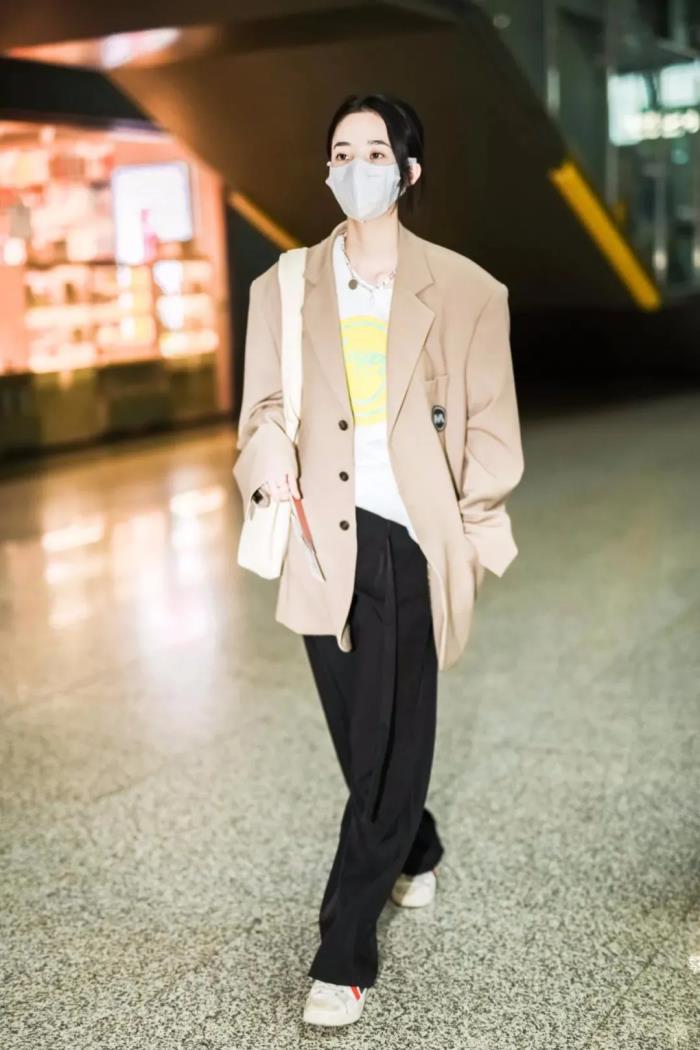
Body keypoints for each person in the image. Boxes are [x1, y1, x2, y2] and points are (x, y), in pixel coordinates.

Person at [232, 92, 525, 1028]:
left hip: (411, 540)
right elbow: (262, 410)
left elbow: (492, 432)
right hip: (321, 537)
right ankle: (418, 843)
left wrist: (470, 540)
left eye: (374, 152)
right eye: (340, 151)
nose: (355, 167)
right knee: (367, 741)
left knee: (388, 743)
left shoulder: (468, 291)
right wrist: (269, 460)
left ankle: (343, 952)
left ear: (408, 171)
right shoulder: (284, 286)